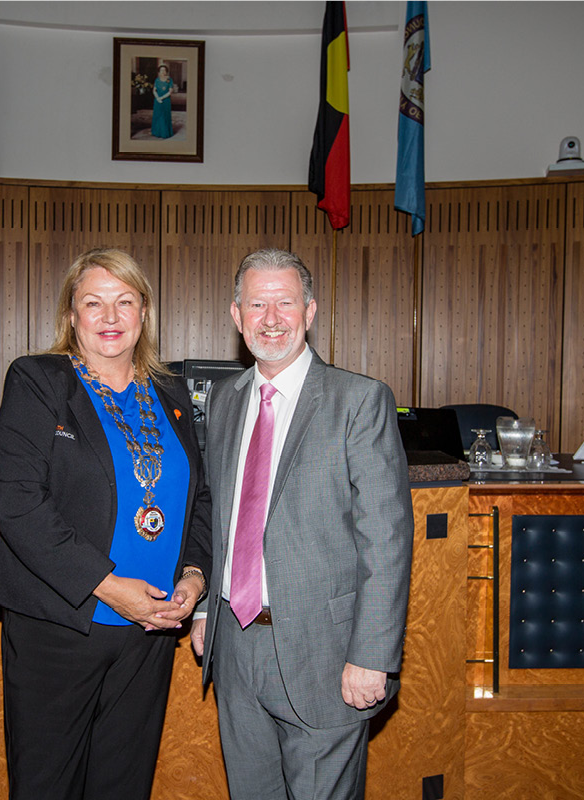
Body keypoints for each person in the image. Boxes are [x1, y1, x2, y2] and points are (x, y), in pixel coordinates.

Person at [0, 247, 212, 800]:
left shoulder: (171, 393)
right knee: (48, 787)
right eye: (94, 303)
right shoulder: (39, 380)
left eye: (124, 302)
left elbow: (200, 498)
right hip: (60, 628)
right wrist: (111, 589)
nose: (109, 318)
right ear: (72, 315)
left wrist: (195, 577)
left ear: (143, 314)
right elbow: (18, 504)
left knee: (123, 786)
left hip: (149, 634)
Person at [191, 248, 414, 800]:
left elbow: (386, 540)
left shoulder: (359, 401)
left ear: (310, 312)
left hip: (327, 652)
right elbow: (218, 517)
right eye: (256, 304)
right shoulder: (224, 401)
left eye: (285, 303)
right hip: (235, 648)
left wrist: (372, 655)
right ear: (236, 316)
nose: (271, 318)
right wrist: (202, 608)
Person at [151, 63, 174, 139]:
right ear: (159, 72)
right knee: (158, 115)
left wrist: (162, 98)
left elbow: (170, 91)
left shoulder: (169, 80)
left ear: (166, 71)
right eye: (161, 70)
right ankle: (157, 132)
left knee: (164, 116)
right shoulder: (157, 80)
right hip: (157, 100)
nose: (163, 72)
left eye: (164, 70)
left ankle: (165, 133)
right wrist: (157, 98)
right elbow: (154, 90)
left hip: (166, 100)